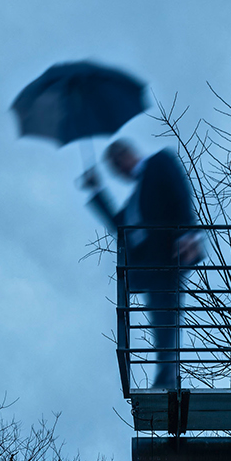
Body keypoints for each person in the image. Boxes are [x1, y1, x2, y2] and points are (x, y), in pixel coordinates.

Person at [81, 139, 203, 390]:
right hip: (150, 266)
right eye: (114, 171)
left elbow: (179, 191)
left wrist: (188, 232)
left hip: (170, 254)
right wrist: (97, 190)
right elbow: (121, 226)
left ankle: (167, 376)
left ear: (126, 155)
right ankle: (165, 374)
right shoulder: (136, 197)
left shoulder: (159, 162)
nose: (119, 173)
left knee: (166, 313)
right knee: (161, 315)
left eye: (117, 166)